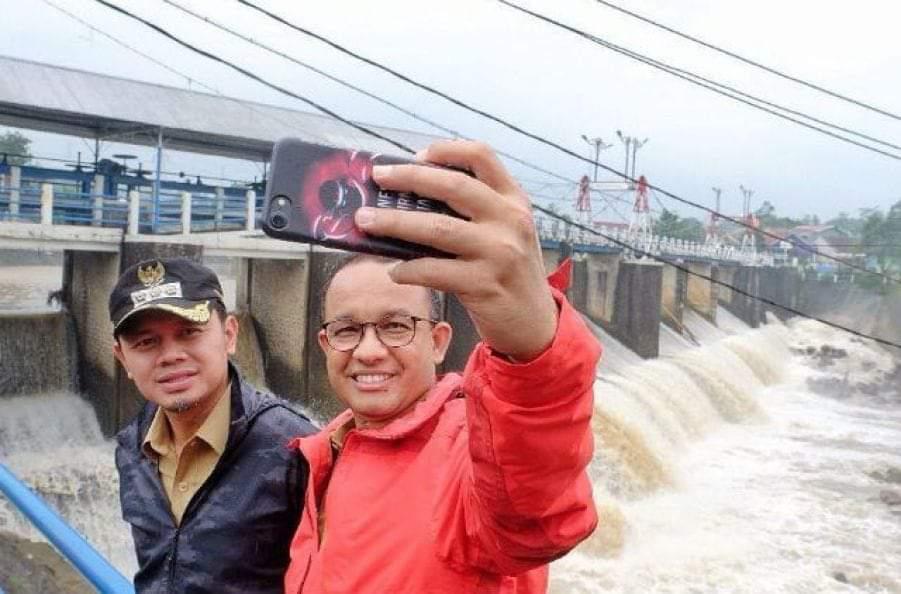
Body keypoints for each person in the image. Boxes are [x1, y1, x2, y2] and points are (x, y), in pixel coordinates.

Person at [284, 140, 602, 594]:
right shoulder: (322, 453)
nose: (369, 351)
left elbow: (535, 516)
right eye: (347, 330)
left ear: (438, 341)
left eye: (395, 326)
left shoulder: (467, 451)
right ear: (325, 343)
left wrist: (531, 348)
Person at [109, 257, 316, 593]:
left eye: (189, 332)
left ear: (229, 335)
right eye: (146, 342)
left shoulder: (295, 449)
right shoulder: (132, 448)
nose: (170, 355)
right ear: (123, 358)